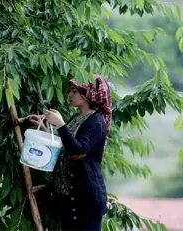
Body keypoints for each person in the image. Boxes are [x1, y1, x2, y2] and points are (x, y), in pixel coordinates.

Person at [26, 74, 112, 231]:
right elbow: (64, 143)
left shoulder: (95, 122)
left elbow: (77, 151)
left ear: (88, 93)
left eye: (74, 91)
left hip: (85, 201)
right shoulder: (79, 117)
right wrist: (45, 128)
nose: (69, 95)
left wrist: (60, 123)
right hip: (70, 198)